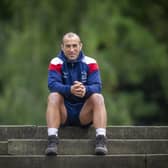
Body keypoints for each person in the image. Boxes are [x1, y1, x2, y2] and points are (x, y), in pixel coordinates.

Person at [45, 32, 108, 155]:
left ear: (80, 46)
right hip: (63, 113)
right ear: (62, 47)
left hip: (84, 113)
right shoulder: (56, 62)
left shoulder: (91, 62)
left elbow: (97, 86)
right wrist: (70, 90)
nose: (71, 49)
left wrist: (85, 90)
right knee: (53, 96)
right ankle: (52, 140)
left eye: (74, 45)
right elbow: (52, 85)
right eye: (68, 46)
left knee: (98, 97)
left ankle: (101, 140)